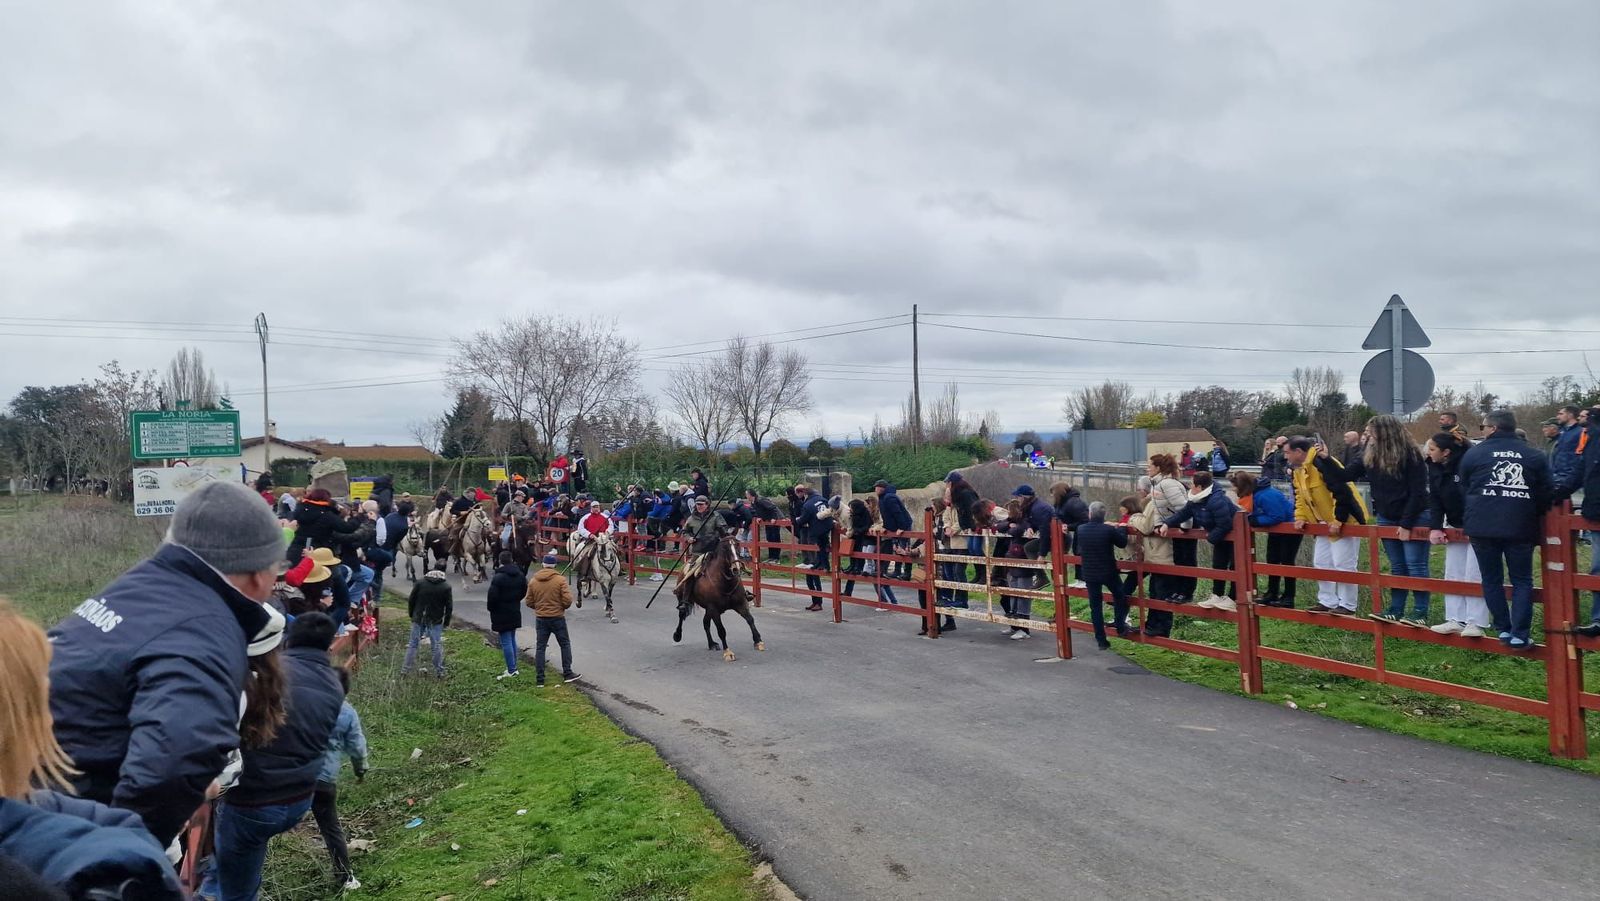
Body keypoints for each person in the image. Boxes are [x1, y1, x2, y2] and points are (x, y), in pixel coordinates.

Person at [48, 481, 280, 849]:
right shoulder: (206, 632)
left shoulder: (137, 586)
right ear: (258, 574)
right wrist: (122, 855)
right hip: (66, 829)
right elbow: (177, 760)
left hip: (33, 792)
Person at [0, 599, 186, 901]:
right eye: (41, 703)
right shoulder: (109, 879)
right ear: (11, 727)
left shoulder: (41, 804)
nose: (50, 719)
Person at [200, 613, 343, 901]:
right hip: (300, 799)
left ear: (288, 638)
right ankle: (213, 885)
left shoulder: (269, 674)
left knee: (239, 884)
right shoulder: (335, 685)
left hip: (254, 801)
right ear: (329, 645)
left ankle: (214, 889)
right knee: (240, 854)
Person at [1458, 410, 1553, 649]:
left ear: (1493, 428)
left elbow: (1465, 487)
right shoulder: (1534, 455)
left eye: (1483, 427)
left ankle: (1503, 628)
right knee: (1522, 580)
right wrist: (1532, 511)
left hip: (1482, 525)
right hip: (1520, 525)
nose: (1482, 431)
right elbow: (1546, 492)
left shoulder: (1475, 453)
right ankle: (1519, 634)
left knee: (1491, 579)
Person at [1341, 415, 1432, 625]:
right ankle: (1395, 609)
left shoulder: (1411, 455)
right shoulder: (1370, 454)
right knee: (1397, 565)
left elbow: (1418, 492)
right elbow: (1346, 474)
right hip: (1386, 515)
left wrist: (1406, 524)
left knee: (1416, 564)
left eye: (1370, 431)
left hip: (1415, 515)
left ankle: (1420, 611)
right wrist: (1325, 459)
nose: (1367, 435)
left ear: (1385, 432)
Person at [1285, 435, 1369, 614]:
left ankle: (1347, 605)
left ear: (1298, 452)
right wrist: (1300, 517)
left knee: (1343, 563)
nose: (1285, 457)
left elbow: (1341, 493)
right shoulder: (1299, 470)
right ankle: (1327, 601)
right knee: (1321, 562)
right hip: (1322, 522)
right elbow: (1300, 496)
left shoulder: (1322, 464)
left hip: (1344, 520)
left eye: (1287, 452)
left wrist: (1339, 519)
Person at [1425, 432, 1492, 637]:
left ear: (1446, 452)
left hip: (1478, 526)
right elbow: (1435, 498)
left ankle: (1476, 622)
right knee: (1453, 572)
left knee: (1474, 573)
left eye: (1432, 449)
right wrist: (1436, 527)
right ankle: (1455, 618)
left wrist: (1474, 525)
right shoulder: (1434, 467)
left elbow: (1475, 497)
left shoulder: (1467, 465)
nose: (1428, 453)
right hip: (1454, 525)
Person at [309, 667, 367, 893]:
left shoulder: (304, 705)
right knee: (331, 828)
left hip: (294, 776)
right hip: (324, 781)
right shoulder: (347, 712)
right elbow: (357, 748)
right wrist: (360, 771)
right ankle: (345, 877)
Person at [1157, 471, 1239, 610]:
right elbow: (1183, 513)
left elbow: (1225, 524)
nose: (1190, 486)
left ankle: (1233, 598)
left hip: (1234, 535)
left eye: (1192, 484)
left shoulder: (1216, 500)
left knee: (1234, 567)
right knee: (1218, 565)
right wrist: (1167, 524)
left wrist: (1210, 538)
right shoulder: (1195, 500)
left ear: (1199, 487)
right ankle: (1217, 595)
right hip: (1220, 536)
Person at [1229, 472, 1298, 607]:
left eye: (1235, 486)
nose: (1233, 489)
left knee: (1287, 561)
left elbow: (1277, 516)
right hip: (1277, 530)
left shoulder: (1266, 495)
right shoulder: (1258, 494)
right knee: (1272, 560)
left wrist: (1255, 520)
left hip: (1289, 529)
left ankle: (1288, 597)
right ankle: (1272, 592)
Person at [1075, 502, 1132, 649]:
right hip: (1108, 572)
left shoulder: (1081, 529)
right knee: (1120, 596)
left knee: (1095, 607)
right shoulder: (1108, 530)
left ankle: (1101, 640)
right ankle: (1120, 626)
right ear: (1104, 515)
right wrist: (1122, 528)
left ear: (1090, 514)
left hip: (1089, 573)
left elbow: (1079, 549)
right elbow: (1122, 543)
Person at [1146, 454, 1195, 611]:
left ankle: (1186, 592)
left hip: (1184, 525)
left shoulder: (1168, 484)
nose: (1147, 469)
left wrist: (1185, 528)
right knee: (1178, 558)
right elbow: (1158, 509)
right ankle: (1178, 590)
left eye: (1149, 466)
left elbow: (1184, 508)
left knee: (1187, 558)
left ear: (1158, 468)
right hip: (1173, 525)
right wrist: (1158, 524)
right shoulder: (1156, 484)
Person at [525, 552, 581, 686]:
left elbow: (529, 601)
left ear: (543, 565)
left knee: (540, 647)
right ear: (554, 565)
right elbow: (567, 600)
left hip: (541, 618)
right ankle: (567, 673)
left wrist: (539, 607)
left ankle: (540, 679)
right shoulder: (560, 580)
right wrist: (561, 607)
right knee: (564, 644)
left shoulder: (533, 581)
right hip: (557, 617)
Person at [403, 568, 453, 676]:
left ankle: (405, 671)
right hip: (436, 619)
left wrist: (412, 615)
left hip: (419, 617)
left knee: (413, 644)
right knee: (436, 646)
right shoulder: (446, 586)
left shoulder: (420, 583)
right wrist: (446, 622)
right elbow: (449, 607)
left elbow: (411, 600)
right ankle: (440, 671)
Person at [487, 551, 528, 680]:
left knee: (505, 641)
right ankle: (514, 666)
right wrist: (515, 600)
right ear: (511, 560)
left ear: (500, 561)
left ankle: (511, 670)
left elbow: (492, 597)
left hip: (501, 611)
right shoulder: (520, 575)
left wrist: (491, 608)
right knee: (511, 638)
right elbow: (524, 591)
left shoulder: (498, 578)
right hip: (514, 609)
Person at [794, 485, 834, 611]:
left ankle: (818, 602)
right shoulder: (823, 499)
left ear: (806, 494)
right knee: (812, 571)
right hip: (825, 529)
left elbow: (803, 519)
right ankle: (823, 565)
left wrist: (797, 521)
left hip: (815, 533)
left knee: (814, 574)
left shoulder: (807, 505)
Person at [874, 480, 915, 579]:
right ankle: (897, 571)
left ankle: (907, 573)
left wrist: (901, 527)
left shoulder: (889, 498)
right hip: (895, 527)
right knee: (896, 548)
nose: (875, 490)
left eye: (877, 487)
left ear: (882, 488)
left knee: (904, 549)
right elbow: (887, 516)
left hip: (903, 526)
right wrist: (886, 526)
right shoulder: (883, 498)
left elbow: (897, 513)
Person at [1550, 404, 1584, 489]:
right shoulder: (1562, 431)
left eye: (1561, 414)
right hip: (1557, 474)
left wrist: (1573, 473)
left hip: (1570, 476)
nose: (1558, 417)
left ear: (1570, 415)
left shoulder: (1581, 432)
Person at [746, 490, 784, 563]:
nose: (746, 496)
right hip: (767, 521)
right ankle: (771, 557)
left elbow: (773, 507)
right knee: (769, 538)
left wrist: (774, 518)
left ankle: (776, 558)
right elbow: (759, 512)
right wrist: (759, 517)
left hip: (773, 521)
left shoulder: (761, 500)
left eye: (747, 494)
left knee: (775, 538)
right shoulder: (753, 503)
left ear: (750, 495)